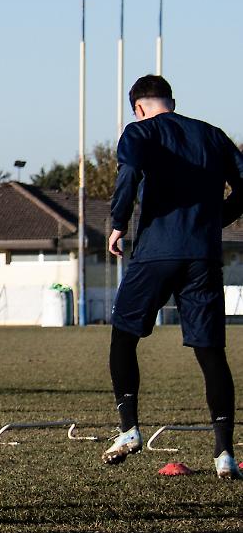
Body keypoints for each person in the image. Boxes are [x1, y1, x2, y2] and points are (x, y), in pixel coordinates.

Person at [102, 74, 243, 479]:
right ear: (172, 102)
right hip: (202, 255)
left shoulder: (138, 131)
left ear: (138, 108)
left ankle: (129, 429)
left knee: (124, 336)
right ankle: (224, 454)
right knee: (211, 352)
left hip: (156, 252)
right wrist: (216, 219)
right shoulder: (212, 135)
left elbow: (129, 172)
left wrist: (118, 223)